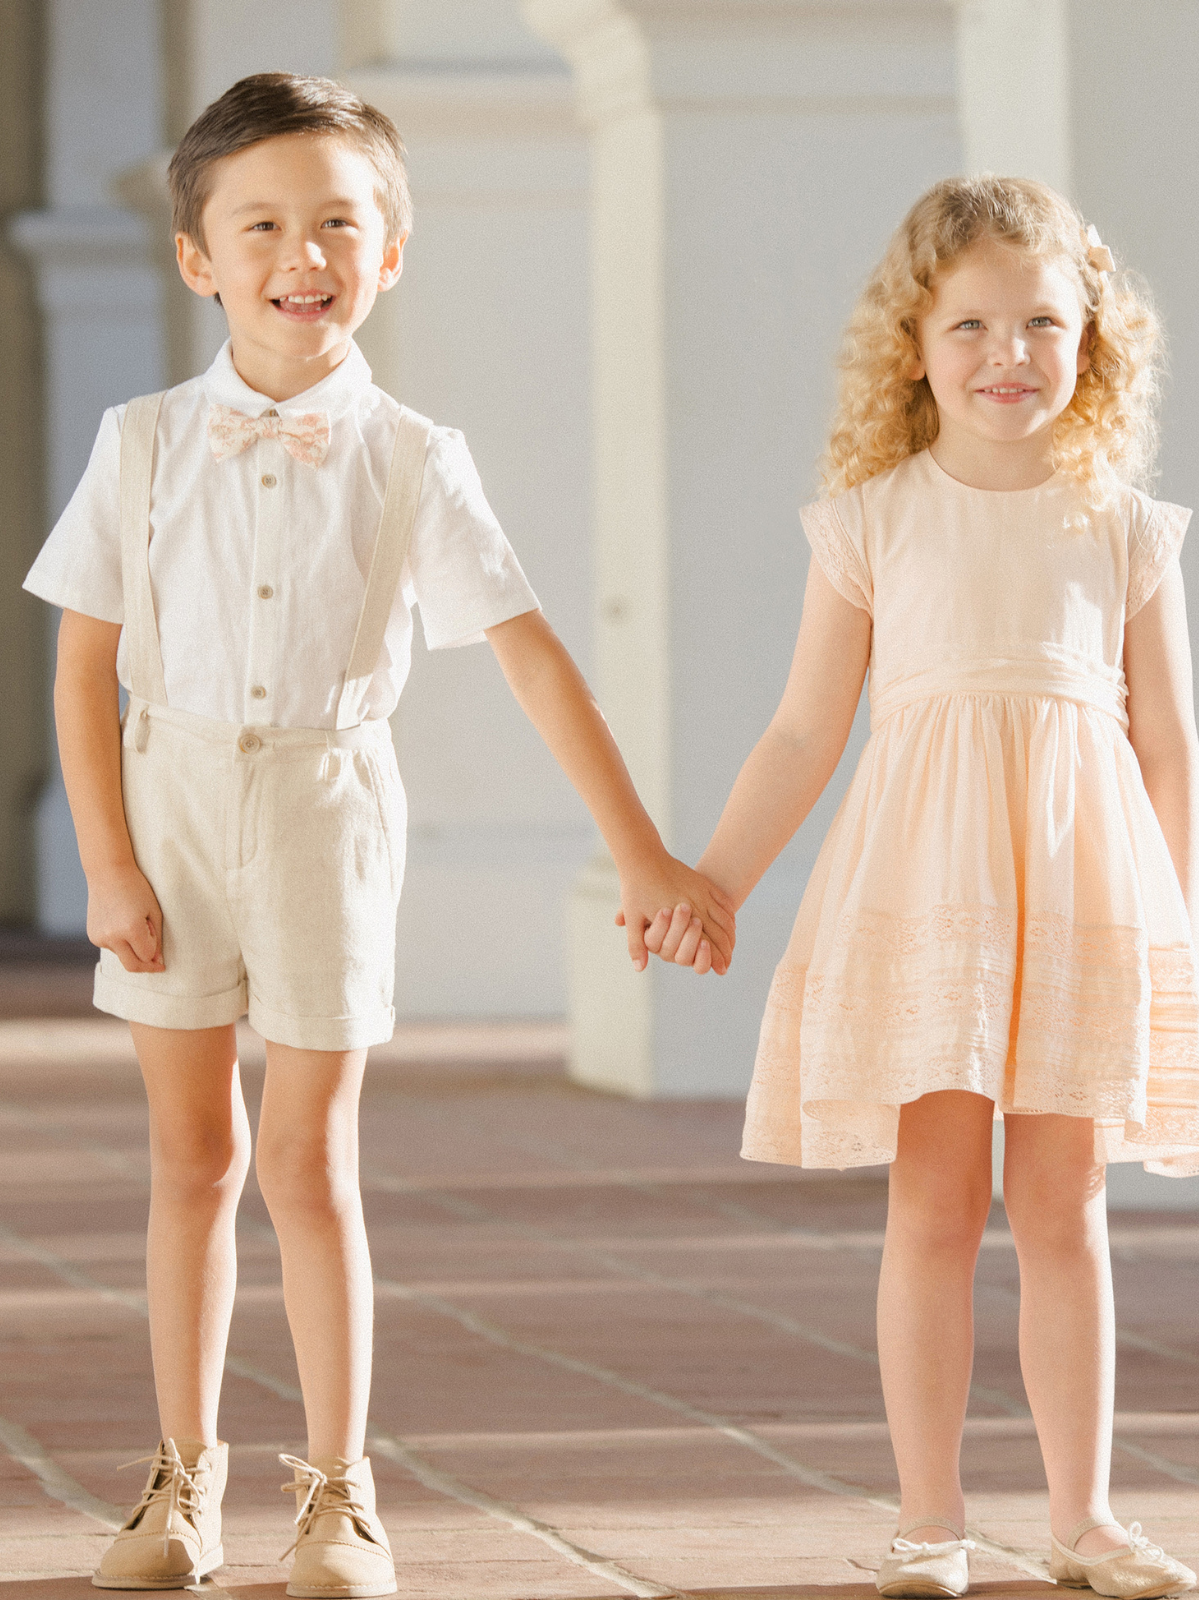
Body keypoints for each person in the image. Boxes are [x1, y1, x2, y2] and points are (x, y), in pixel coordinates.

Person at [24, 72, 734, 1597]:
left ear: (389, 250)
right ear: (200, 256)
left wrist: (644, 853)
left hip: (327, 814)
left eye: (339, 222)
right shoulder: (141, 442)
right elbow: (85, 664)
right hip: (169, 801)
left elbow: (535, 655)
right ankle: (181, 1481)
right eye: (263, 222)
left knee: (308, 1157)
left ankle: (339, 1495)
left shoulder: (415, 455)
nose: (305, 252)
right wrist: (109, 860)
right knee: (190, 1157)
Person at [648, 176, 1199, 1598]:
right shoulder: (870, 523)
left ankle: (1082, 1519)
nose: (1006, 352)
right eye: (970, 324)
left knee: (1064, 1201)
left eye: (1040, 323)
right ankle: (929, 1520)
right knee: (934, 1205)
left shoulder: (1130, 532)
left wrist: (1181, 929)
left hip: (1085, 897)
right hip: (927, 890)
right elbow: (799, 733)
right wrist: (708, 879)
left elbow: (1165, 749)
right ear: (911, 343)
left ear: (1093, 346)